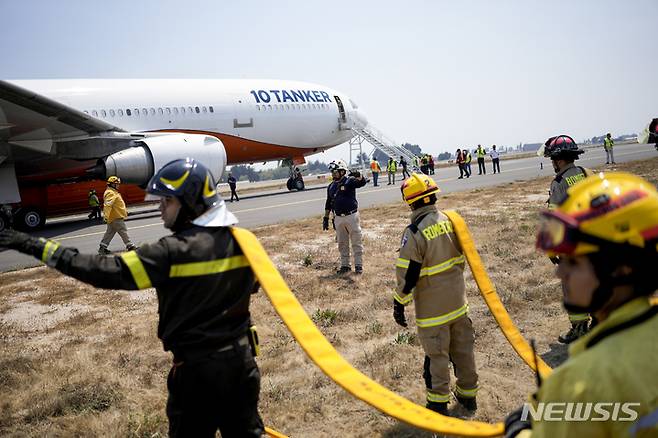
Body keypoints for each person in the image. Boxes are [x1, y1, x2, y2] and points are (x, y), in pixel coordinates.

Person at [0, 158, 265, 437]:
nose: (160, 208)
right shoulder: (243, 242)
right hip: (242, 366)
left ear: (189, 203)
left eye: (167, 202)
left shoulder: (169, 253)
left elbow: (104, 271)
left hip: (197, 375)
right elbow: (254, 286)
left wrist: (37, 247)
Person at [505, 172, 658, 438]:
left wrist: (519, 430)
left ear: (622, 269)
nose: (559, 273)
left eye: (574, 263)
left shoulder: (581, 384)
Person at [394, 173, 479, 415]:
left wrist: (399, 303)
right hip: (459, 305)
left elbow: (409, 275)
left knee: (437, 358)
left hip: (433, 313)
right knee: (464, 352)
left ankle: (438, 405)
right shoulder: (451, 221)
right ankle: (469, 398)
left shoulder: (414, 231)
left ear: (411, 202)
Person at [544, 135, 594, 343]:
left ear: (560, 159)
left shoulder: (559, 182)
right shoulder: (585, 173)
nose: (552, 164)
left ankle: (580, 329)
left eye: (553, 160)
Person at [323, 160, 366, 274]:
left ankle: (358, 265)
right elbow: (328, 202)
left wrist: (359, 176)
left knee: (356, 241)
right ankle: (345, 266)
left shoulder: (350, 181)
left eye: (335, 171)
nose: (332, 174)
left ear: (342, 171)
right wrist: (326, 218)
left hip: (351, 216)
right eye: (332, 172)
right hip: (338, 218)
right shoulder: (331, 186)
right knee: (342, 243)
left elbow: (362, 183)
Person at [99, 176, 136, 255]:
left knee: (109, 233)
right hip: (116, 217)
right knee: (123, 231)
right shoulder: (110, 193)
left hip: (113, 217)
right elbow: (108, 205)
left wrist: (125, 211)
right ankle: (130, 246)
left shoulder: (113, 192)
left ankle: (102, 248)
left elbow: (117, 205)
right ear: (112, 184)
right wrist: (105, 216)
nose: (118, 185)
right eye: (116, 184)